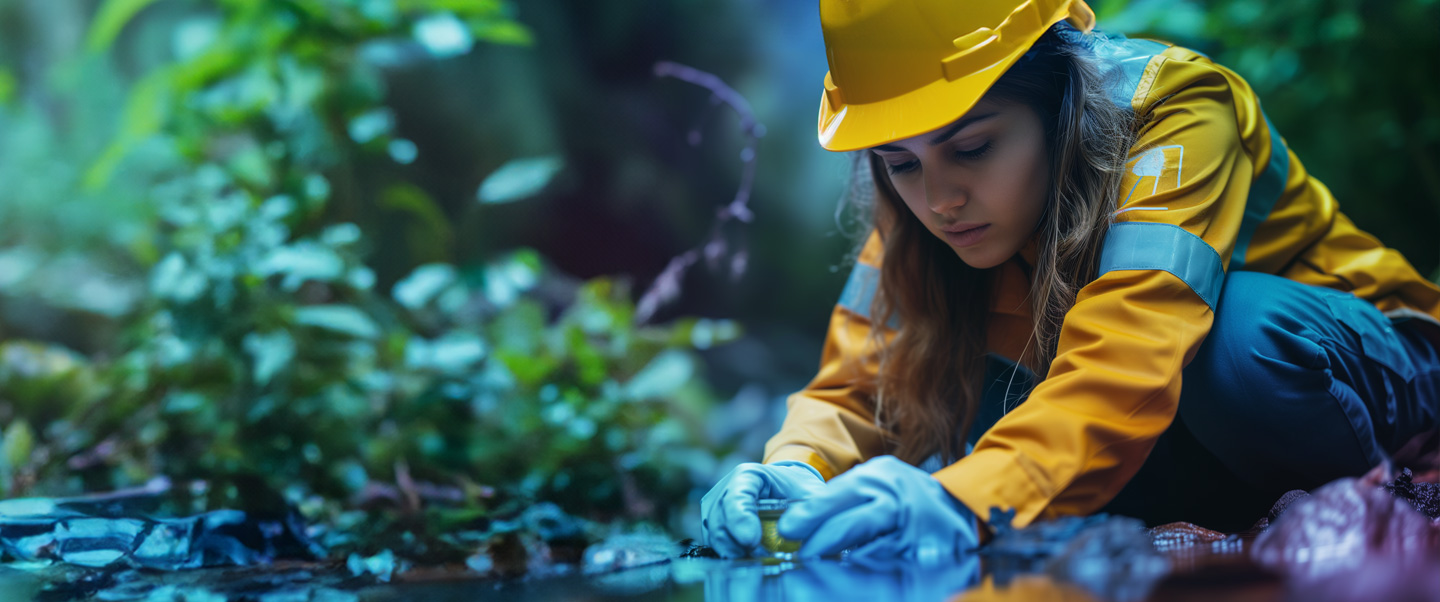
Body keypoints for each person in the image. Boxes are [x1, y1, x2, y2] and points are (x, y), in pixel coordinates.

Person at [701, 0, 1440, 560]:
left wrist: (962, 502)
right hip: (1187, 421)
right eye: (900, 164)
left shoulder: (1176, 110)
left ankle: (1390, 492)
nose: (939, 200)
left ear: (1061, 101)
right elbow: (859, 381)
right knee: (989, 402)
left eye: (974, 147)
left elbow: (1129, 354)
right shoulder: (924, 198)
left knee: (1241, 346)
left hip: (1369, 361)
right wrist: (793, 468)